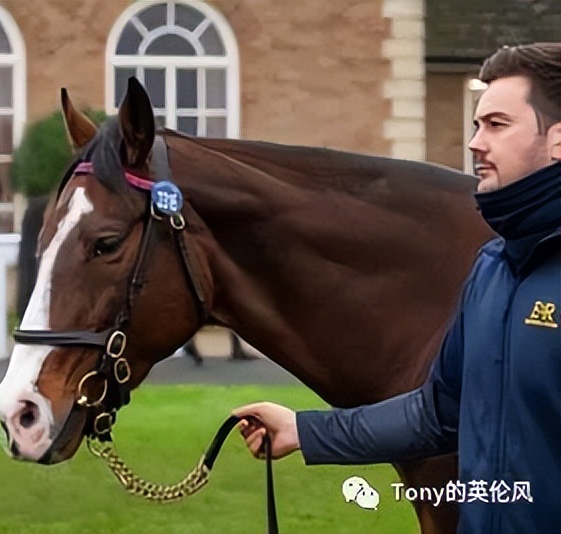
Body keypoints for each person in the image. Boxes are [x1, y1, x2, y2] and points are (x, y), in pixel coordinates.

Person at [233, 43, 560, 534]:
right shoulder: (492, 268)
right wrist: (304, 430)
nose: (475, 142)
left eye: (496, 124)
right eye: (475, 125)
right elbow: (438, 411)